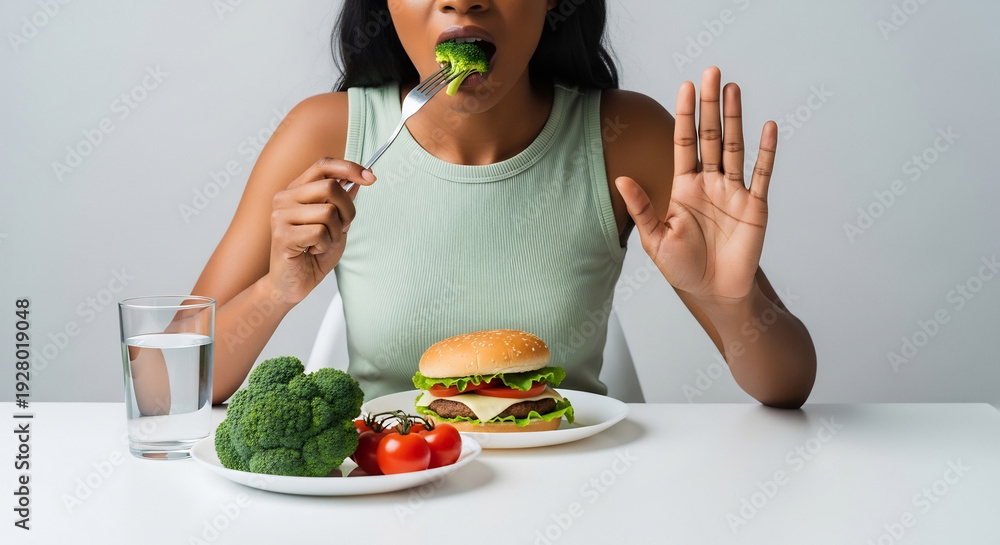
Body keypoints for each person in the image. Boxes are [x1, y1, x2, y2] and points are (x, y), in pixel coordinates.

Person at [195, 0, 816, 408]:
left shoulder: (627, 135)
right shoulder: (323, 135)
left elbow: (787, 386)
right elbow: (164, 383)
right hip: (388, 489)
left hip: (574, 493)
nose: (462, 0)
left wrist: (729, 302)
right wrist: (276, 289)